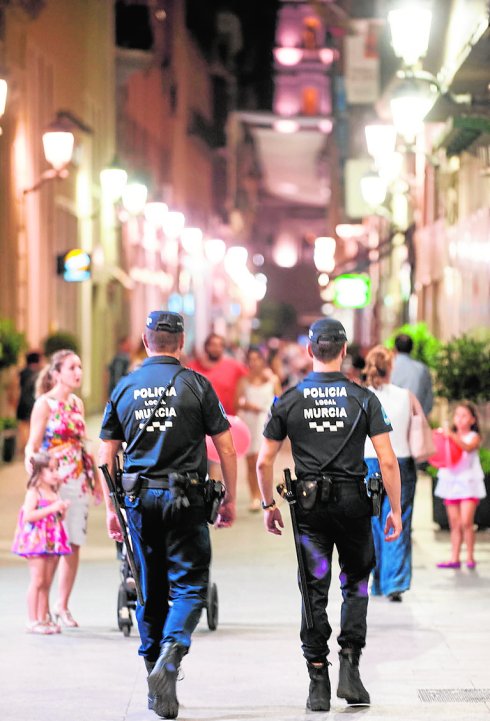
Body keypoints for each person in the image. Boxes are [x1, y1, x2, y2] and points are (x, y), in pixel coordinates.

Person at [257, 317, 402, 712]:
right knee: (355, 584)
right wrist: (397, 512)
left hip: (309, 509)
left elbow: (263, 460)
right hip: (354, 506)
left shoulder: (287, 399)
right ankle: (351, 669)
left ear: (309, 351)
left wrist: (268, 505)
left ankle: (317, 679)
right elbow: (387, 462)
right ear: (343, 351)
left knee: (313, 589)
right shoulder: (364, 399)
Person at [98, 310, 237, 720]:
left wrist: (110, 508)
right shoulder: (196, 384)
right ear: (181, 343)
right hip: (187, 500)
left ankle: (155, 683)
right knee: (191, 585)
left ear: (146, 341)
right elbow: (226, 447)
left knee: (149, 589)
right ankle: (172, 654)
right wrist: (228, 498)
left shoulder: (125, 387)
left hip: (139, 502)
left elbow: (106, 454)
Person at [26, 349, 101, 628]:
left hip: (78, 479)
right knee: (54, 544)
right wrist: (33, 471)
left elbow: (83, 444)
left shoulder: (77, 404)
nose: (78, 372)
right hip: (54, 483)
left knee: (73, 544)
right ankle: (42, 612)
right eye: (72, 368)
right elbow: (33, 445)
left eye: (80, 367)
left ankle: (63, 605)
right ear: (56, 374)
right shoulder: (44, 405)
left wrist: (94, 481)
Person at [363, 345, 417, 602]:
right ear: (391, 366)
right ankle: (394, 581)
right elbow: (419, 425)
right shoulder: (407, 396)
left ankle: (375, 582)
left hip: (368, 463)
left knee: (371, 522)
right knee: (398, 518)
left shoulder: (361, 396)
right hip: (401, 462)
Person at [11, 451, 71, 634]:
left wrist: (61, 511)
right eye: (50, 469)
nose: (55, 473)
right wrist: (52, 508)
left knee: (46, 581)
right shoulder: (34, 491)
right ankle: (32, 620)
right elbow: (28, 516)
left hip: (52, 541)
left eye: (57, 469)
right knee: (37, 581)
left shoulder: (54, 490)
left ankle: (43, 617)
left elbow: (57, 517)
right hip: (37, 540)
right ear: (39, 472)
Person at [434, 402, 486, 569]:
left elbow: (468, 448)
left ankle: (470, 557)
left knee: (466, 522)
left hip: (469, 484)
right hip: (451, 483)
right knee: (454, 524)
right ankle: (454, 557)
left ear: (472, 419)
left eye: (464, 416)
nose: (460, 419)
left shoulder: (474, 437)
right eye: (457, 415)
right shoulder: (448, 436)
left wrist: (451, 436)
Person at [236, 346, 282, 511]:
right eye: (251, 359)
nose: (254, 363)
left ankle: (264, 494)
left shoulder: (272, 379)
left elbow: (280, 402)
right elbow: (237, 402)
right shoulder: (243, 380)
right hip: (249, 422)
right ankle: (254, 495)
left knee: (262, 460)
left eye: (257, 359)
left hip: (265, 423)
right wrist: (246, 405)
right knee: (250, 461)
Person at [188, 333, 247, 415]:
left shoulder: (234, 366)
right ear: (206, 347)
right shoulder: (193, 366)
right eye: (212, 345)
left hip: (227, 418)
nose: (216, 348)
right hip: (201, 418)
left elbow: (250, 378)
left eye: (220, 346)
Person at [391, 334, 433, 417]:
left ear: (395, 348)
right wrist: (420, 416)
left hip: (392, 421)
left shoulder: (389, 366)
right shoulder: (422, 369)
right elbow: (429, 399)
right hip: (415, 419)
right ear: (412, 349)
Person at [15, 350, 43, 455]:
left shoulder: (22, 373)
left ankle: (25, 448)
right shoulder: (38, 375)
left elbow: (15, 388)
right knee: (33, 427)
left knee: (23, 426)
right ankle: (30, 448)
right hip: (33, 403)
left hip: (22, 402)